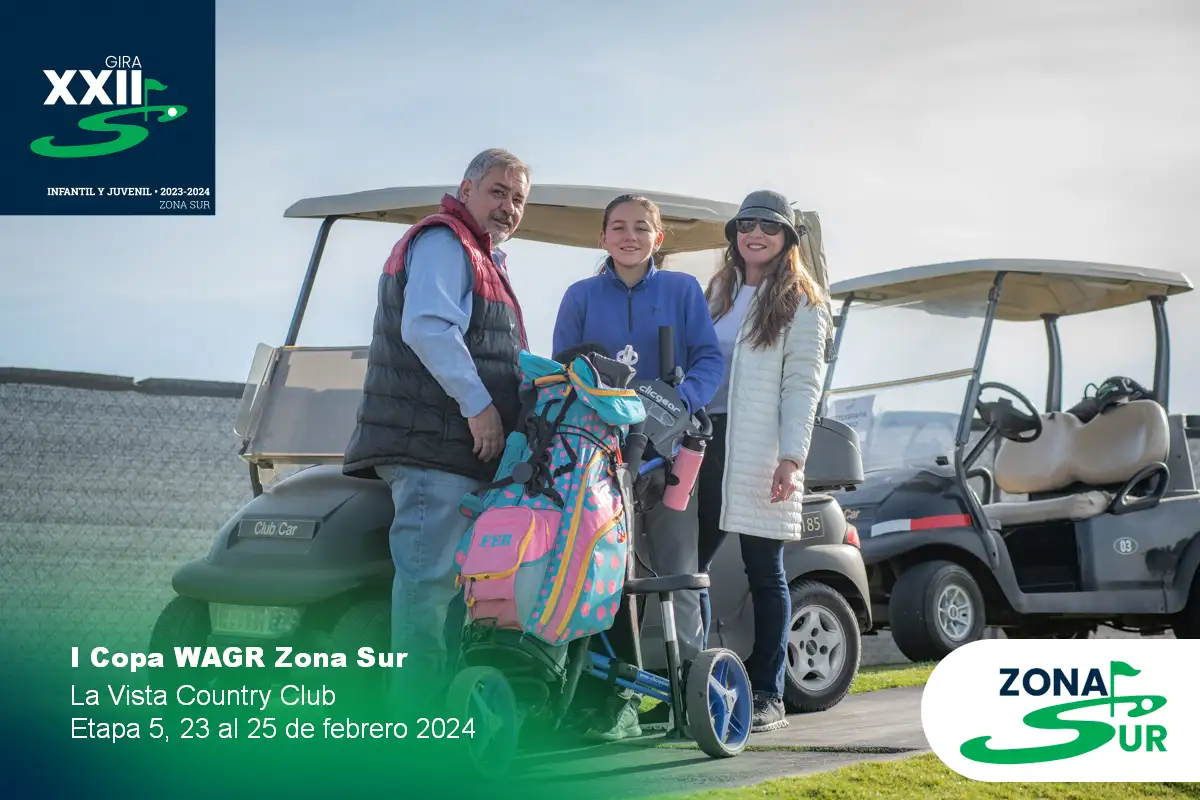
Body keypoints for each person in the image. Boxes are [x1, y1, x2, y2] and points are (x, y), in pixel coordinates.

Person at [342, 148, 532, 701]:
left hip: (452, 449)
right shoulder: (446, 242)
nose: (508, 206)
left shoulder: (481, 254)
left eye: (518, 198)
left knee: (448, 591)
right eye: (498, 192)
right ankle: (414, 726)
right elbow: (428, 328)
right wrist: (480, 406)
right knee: (427, 591)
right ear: (466, 190)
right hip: (432, 448)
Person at [552, 193, 724, 741]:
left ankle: (689, 695)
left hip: (669, 457)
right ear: (602, 237)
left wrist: (677, 404)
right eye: (619, 227)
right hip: (599, 462)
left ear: (658, 237)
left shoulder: (682, 290)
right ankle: (611, 699)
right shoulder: (579, 297)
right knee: (603, 574)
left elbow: (708, 359)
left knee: (677, 568)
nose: (630, 236)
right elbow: (562, 373)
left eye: (641, 227)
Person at [696, 190, 830, 733]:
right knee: (689, 569)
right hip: (704, 441)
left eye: (769, 227)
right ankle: (692, 685)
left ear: (787, 238)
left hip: (761, 449)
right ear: (735, 234)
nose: (756, 233)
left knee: (764, 569)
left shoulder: (803, 302)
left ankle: (769, 692)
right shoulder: (718, 291)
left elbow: (802, 386)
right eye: (747, 224)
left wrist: (792, 458)